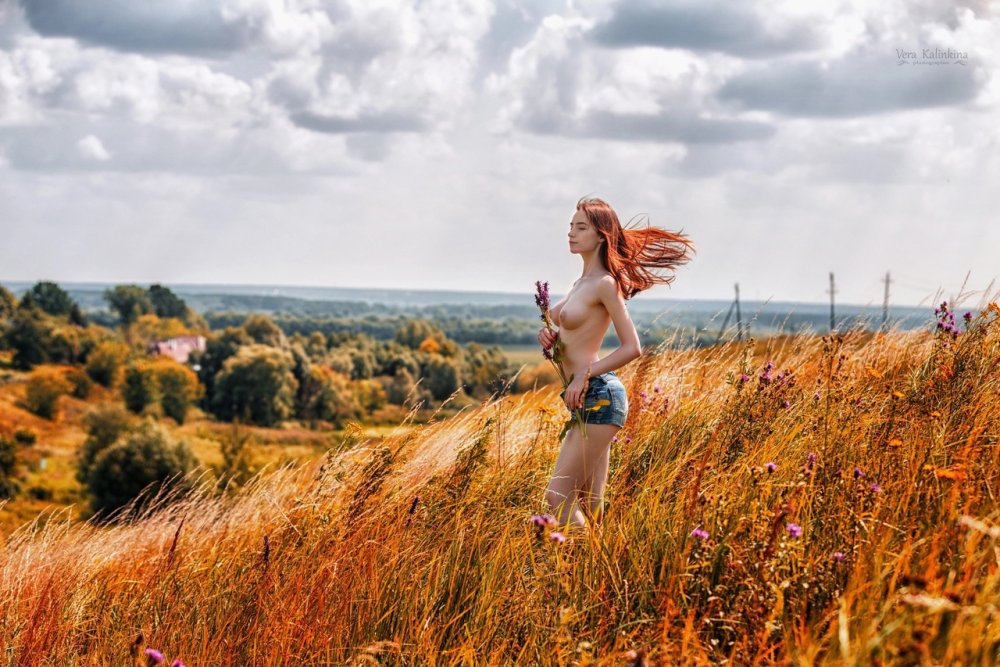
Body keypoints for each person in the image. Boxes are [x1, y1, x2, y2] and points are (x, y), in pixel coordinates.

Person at [538, 196, 695, 533]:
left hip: (600, 394)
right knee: (590, 506)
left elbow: (633, 347)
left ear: (600, 236)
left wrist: (582, 373)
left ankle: (583, 570)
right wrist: (551, 339)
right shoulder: (581, 284)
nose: (571, 233)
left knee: (557, 496)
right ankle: (594, 579)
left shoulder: (606, 284)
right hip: (584, 397)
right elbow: (571, 332)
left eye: (581, 227)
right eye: (570, 226)